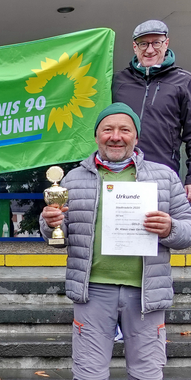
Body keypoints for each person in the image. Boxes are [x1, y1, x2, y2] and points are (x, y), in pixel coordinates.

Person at [40, 103, 191, 379]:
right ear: (97, 136)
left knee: (147, 374)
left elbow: (188, 231)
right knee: (88, 374)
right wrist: (50, 225)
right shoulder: (73, 180)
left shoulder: (165, 178)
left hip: (145, 293)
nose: (116, 136)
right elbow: (57, 240)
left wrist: (171, 227)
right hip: (93, 291)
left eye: (125, 129)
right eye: (107, 129)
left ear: (137, 136)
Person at [112, 19, 191, 201]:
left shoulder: (184, 81)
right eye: (143, 44)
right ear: (134, 47)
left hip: (163, 175)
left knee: (159, 227)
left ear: (166, 43)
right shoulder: (117, 82)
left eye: (156, 42)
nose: (149, 50)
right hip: (119, 173)